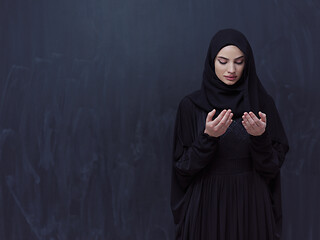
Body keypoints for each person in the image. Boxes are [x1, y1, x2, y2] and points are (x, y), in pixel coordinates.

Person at [170, 29, 289, 240]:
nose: (231, 69)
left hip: (252, 204)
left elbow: (271, 168)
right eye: (223, 61)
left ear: (247, 63)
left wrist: (259, 138)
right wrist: (208, 137)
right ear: (211, 61)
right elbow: (182, 168)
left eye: (239, 62)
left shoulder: (262, 104)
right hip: (207, 205)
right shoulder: (191, 106)